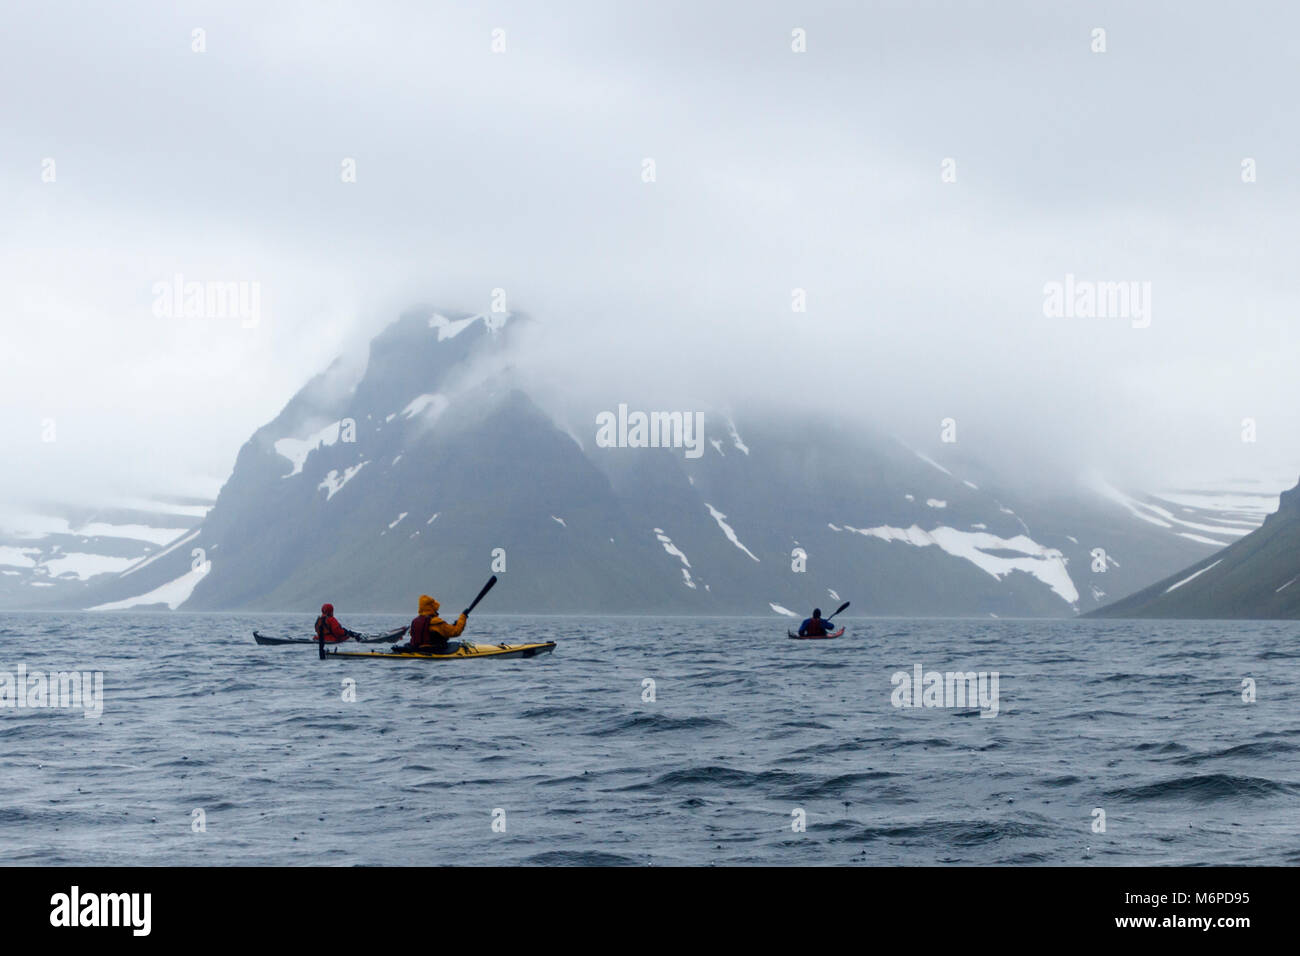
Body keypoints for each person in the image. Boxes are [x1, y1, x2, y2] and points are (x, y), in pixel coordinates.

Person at [396, 594, 467, 653]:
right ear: (432, 606)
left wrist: (453, 625)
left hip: (415, 648)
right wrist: (463, 617)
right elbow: (455, 632)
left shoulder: (415, 621)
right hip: (432, 650)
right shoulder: (436, 622)